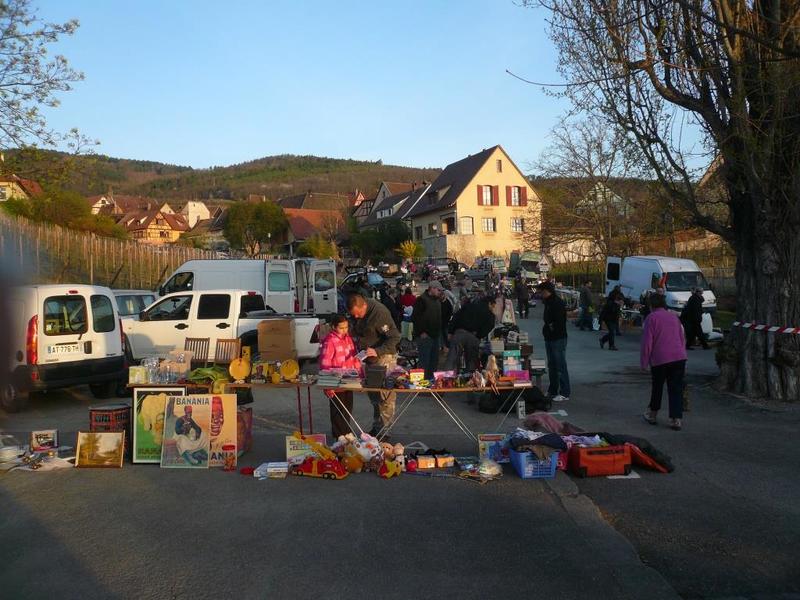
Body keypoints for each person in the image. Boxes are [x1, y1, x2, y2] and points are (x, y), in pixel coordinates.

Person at [347, 293, 401, 436]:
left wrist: (378, 350)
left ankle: (385, 432)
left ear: (364, 305)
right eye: (354, 315)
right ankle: (377, 428)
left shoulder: (379, 313)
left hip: (384, 357)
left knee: (385, 396)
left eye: (358, 314)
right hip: (368, 359)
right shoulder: (358, 311)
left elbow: (395, 337)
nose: (356, 317)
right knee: (374, 397)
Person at [641, 293, 688, 430]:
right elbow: (681, 337)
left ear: (651, 305)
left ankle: (653, 414)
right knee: (676, 388)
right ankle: (676, 419)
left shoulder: (651, 318)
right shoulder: (674, 317)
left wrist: (644, 362)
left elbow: (647, 343)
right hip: (679, 357)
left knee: (658, 387)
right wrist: (683, 353)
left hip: (660, 359)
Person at [319, 314, 363, 438]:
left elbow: (355, 358)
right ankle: (339, 438)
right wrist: (327, 385)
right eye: (341, 328)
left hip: (349, 379)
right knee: (338, 411)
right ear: (334, 327)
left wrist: (360, 376)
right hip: (335, 381)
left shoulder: (348, 339)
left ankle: (346, 434)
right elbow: (325, 363)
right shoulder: (330, 341)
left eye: (346, 327)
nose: (344, 330)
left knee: (347, 410)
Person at [537, 281, 571, 402]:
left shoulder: (557, 303)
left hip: (558, 338)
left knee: (560, 365)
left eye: (541, 292)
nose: (540, 294)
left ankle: (565, 392)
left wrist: (551, 327)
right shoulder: (548, 302)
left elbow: (559, 322)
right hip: (550, 337)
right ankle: (553, 390)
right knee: (552, 365)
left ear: (547, 291)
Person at [445, 296, 496, 371]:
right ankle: (470, 379)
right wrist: (479, 335)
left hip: (459, 333)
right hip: (473, 337)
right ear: (489, 303)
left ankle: (447, 378)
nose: (493, 308)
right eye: (493, 306)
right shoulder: (489, 314)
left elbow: (456, 317)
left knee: (452, 359)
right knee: (471, 362)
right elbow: (489, 326)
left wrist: (450, 331)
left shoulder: (469, 305)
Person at [412, 280, 443, 379]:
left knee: (434, 361)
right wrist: (421, 332)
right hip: (425, 336)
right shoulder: (422, 300)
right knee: (424, 361)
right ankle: (422, 384)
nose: (439, 292)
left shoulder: (437, 300)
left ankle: (431, 382)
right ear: (432, 288)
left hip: (435, 335)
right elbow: (415, 317)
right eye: (438, 290)